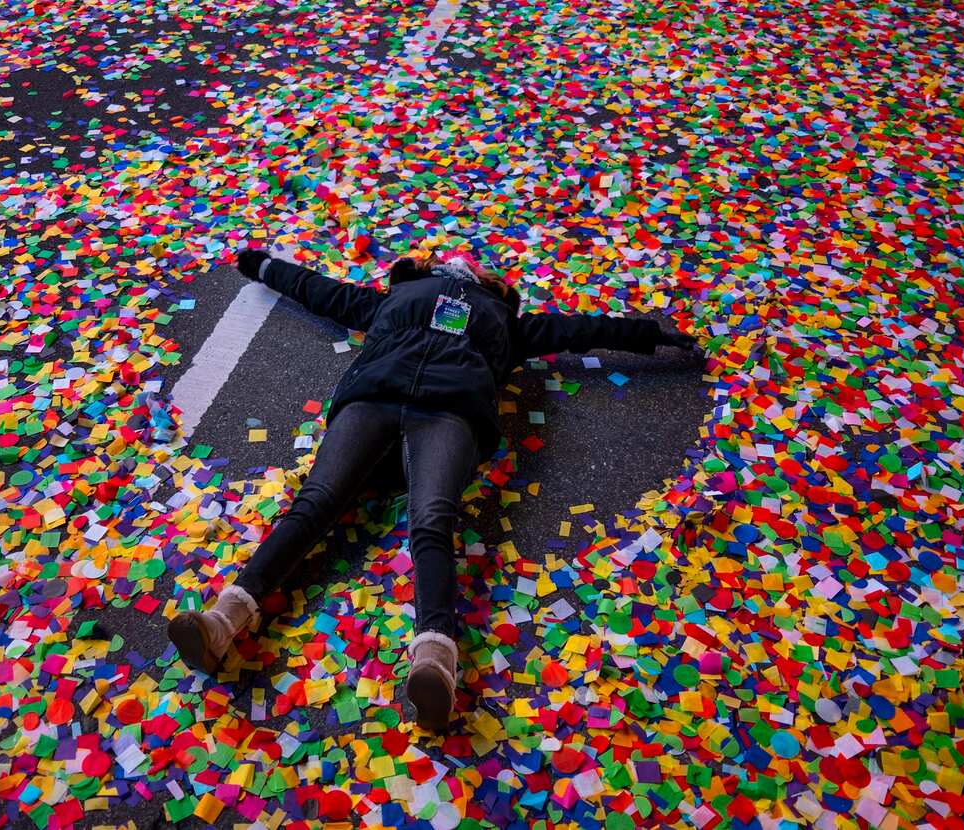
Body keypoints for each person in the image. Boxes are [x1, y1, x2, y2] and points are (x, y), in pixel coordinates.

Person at [169, 247, 699, 731]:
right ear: (424, 269)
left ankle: (435, 662)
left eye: (476, 262)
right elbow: (318, 290)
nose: (463, 259)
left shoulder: (510, 323)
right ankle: (223, 622)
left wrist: (649, 334)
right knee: (316, 501)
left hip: (451, 409)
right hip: (373, 397)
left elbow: (578, 331)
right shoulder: (394, 296)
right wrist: (258, 264)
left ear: (491, 281)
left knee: (433, 519)